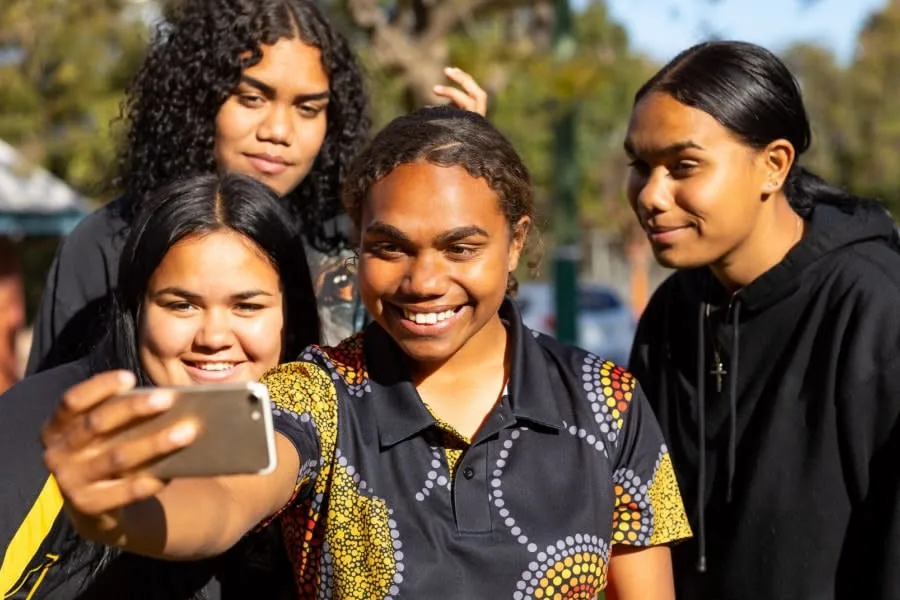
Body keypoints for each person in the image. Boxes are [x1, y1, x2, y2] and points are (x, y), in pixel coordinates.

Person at [40, 106, 692, 599]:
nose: (423, 281)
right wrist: (123, 513)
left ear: (515, 243)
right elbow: (220, 504)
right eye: (390, 248)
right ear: (358, 243)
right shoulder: (312, 394)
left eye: (460, 248)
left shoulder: (607, 400)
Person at [26, 0, 489, 374]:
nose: (279, 130)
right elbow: (50, 420)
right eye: (252, 98)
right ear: (196, 100)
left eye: (308, 108)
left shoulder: (356, 242)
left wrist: (461, 176)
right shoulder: (107, 241)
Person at [624, 40, 900, 600]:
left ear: (773, 165)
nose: (652, 195)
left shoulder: (875, 306)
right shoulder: (672, 313)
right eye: (640, 166)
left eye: (683, 166)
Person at [1, 172, 320, 599]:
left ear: (290, 316)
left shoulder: (324, 425)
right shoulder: (47, 425)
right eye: (181, 305)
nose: (213, 337)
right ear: (137, 308)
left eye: (247, 306)